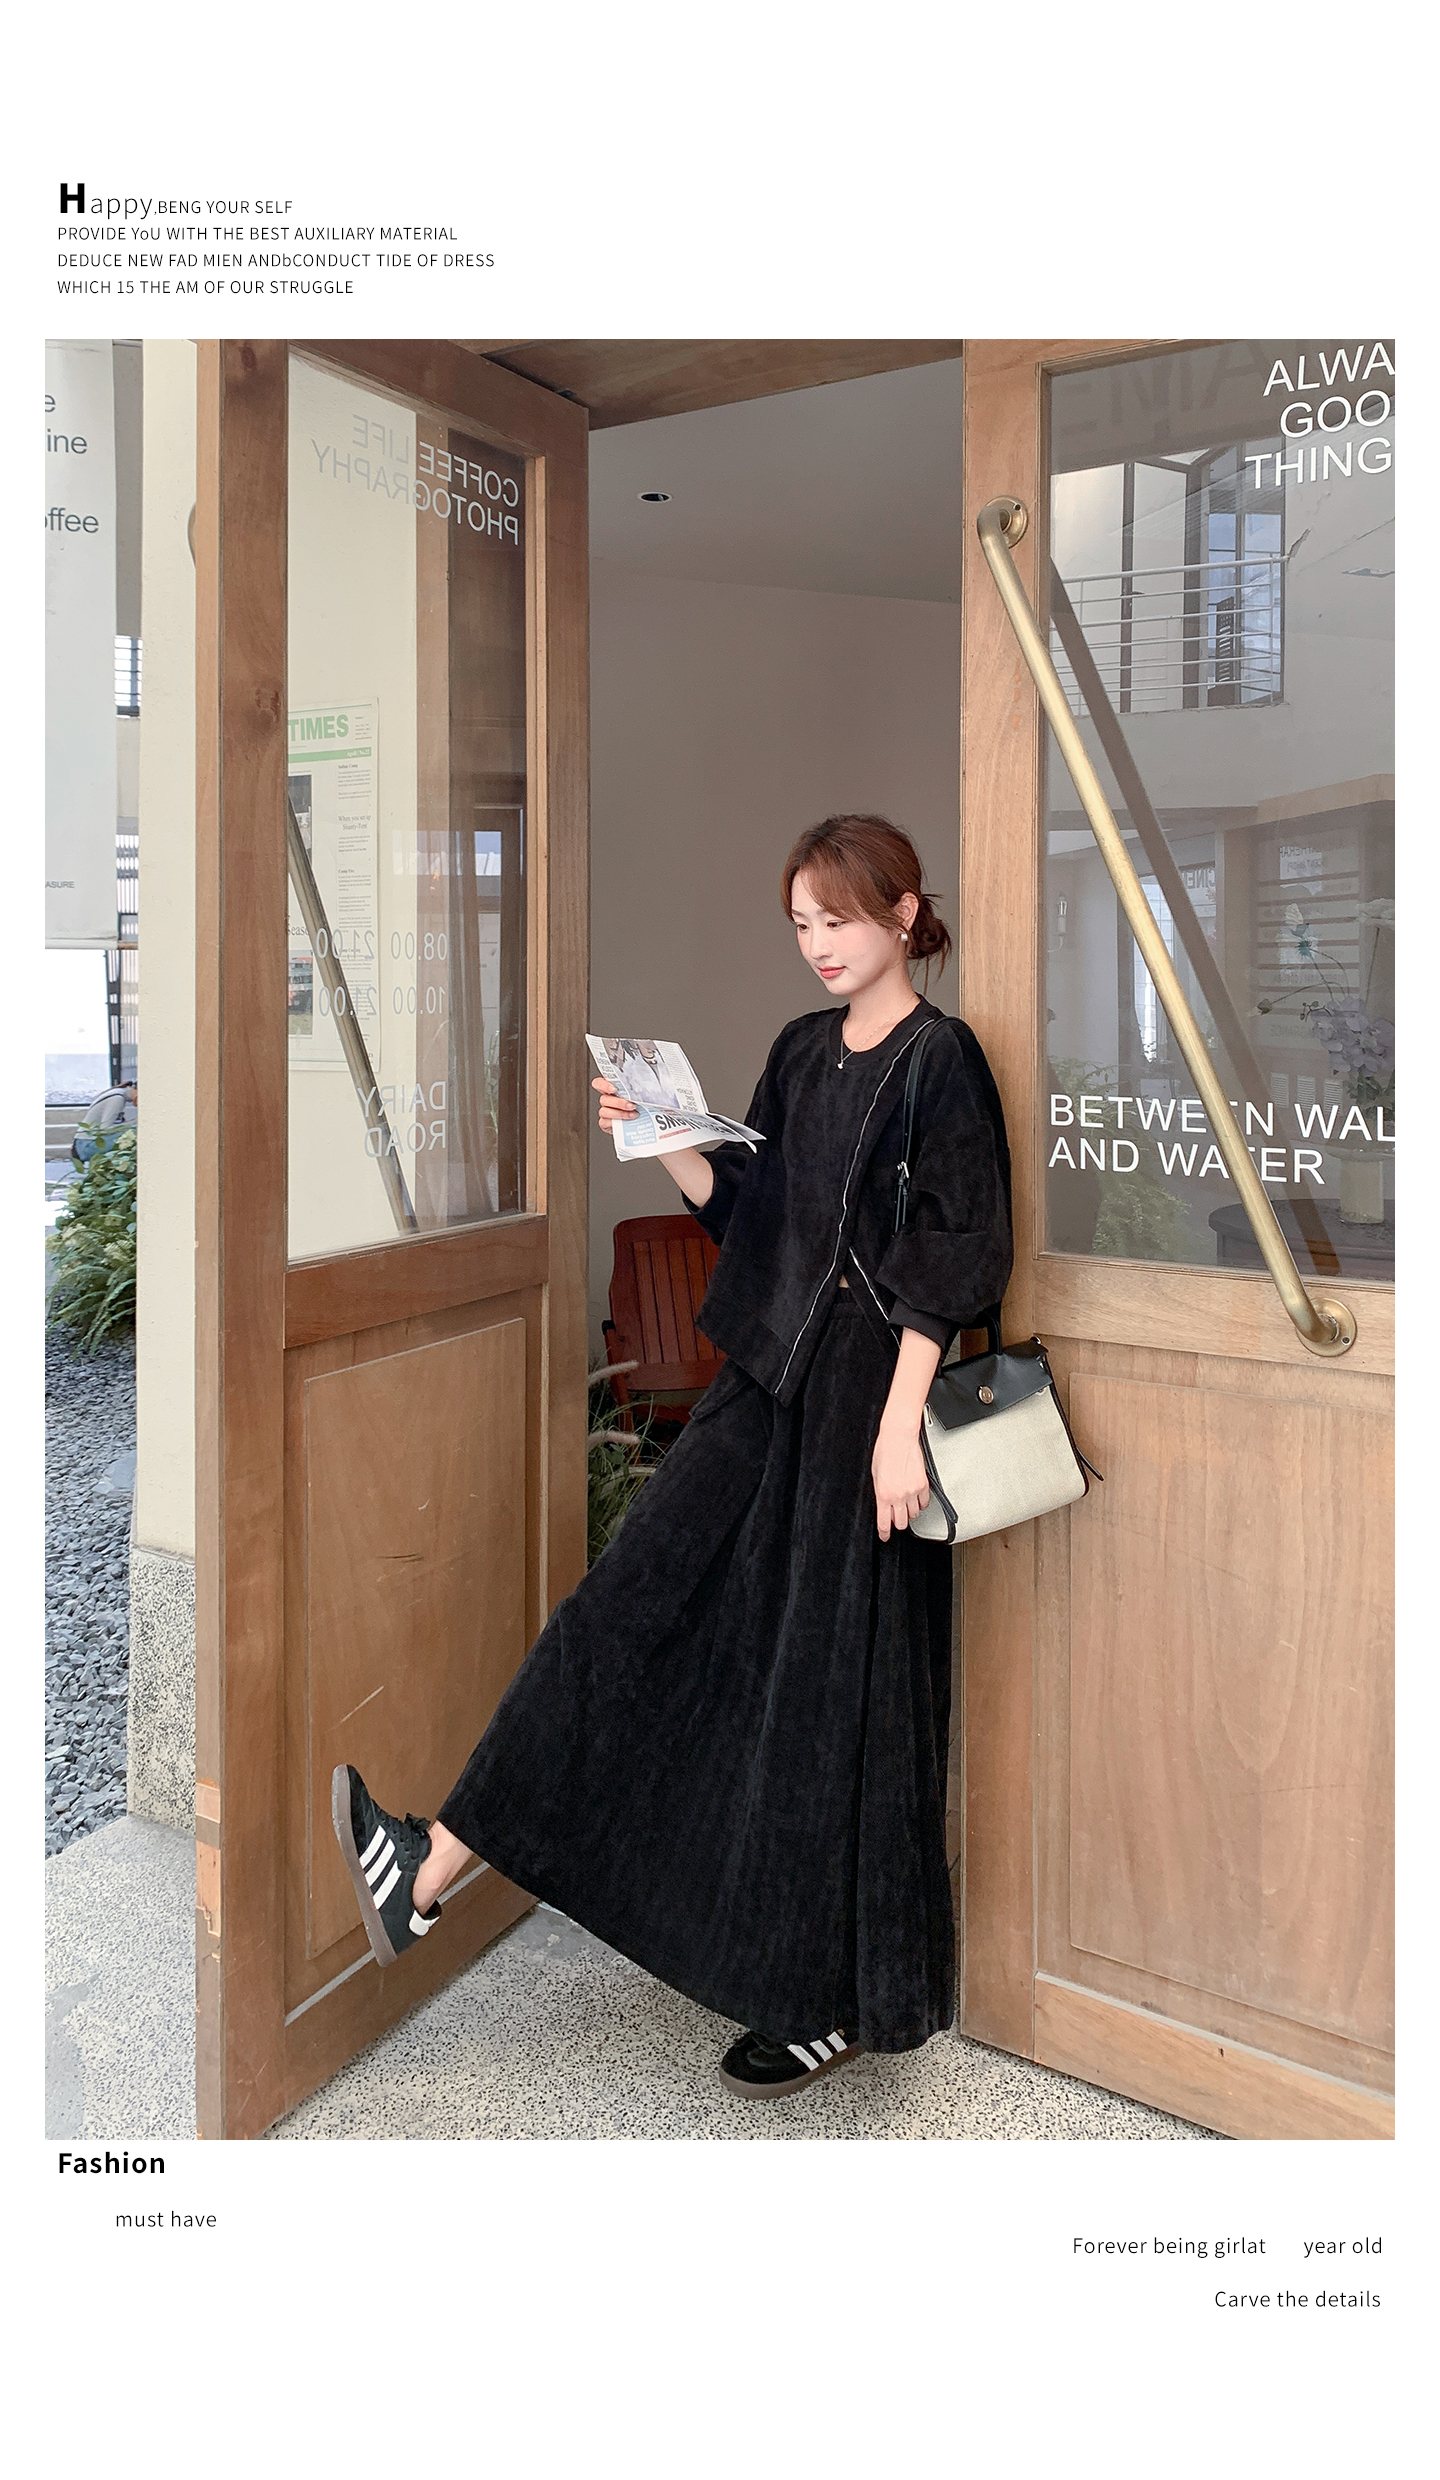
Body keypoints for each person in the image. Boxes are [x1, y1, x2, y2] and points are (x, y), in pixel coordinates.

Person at [333, 814, 1012, 2099]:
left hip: (865, 1412)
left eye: (839, 918)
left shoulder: (944, 1060)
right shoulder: (800, 1051)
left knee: (824, 1701)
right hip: (761, 1387)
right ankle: (427, 1869)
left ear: (903, 912)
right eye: (801, 922)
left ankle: (817, 2001)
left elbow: (955, 1252)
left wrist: (895, 1430)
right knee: (621, 1614)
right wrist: (671, 1146)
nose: (819, 944)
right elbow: (758, 1219)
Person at [72, 1079, 137, 1164]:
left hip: (83, 1143)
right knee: (135, 1132)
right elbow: (105, 1129)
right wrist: (133, 1124)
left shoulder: (118, 1093)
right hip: (87, 1145)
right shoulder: (117, 1098)